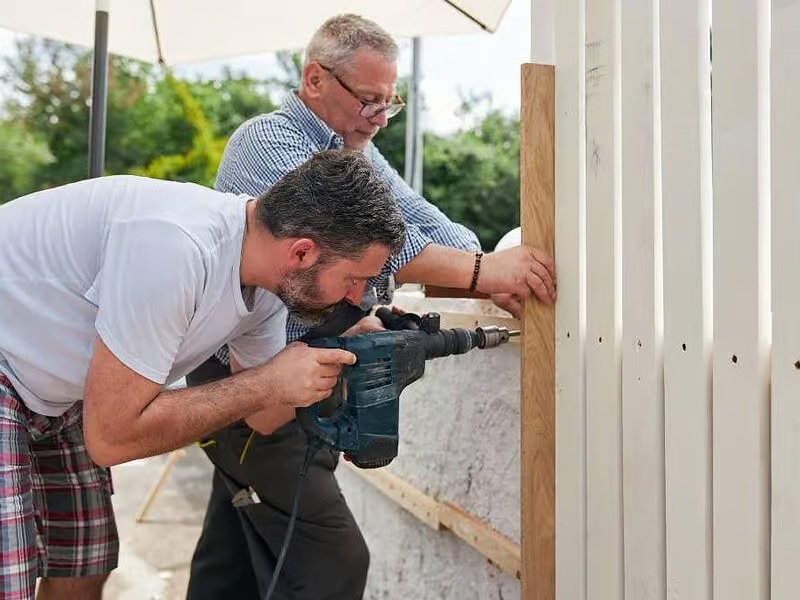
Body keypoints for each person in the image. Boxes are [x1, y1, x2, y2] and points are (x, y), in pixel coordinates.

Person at [186, 13, 557, 600]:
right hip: (246, 376)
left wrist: (476, 264)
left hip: (290, 375)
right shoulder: (270, 139)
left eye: (392, 103)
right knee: (334, 561)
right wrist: (485, 272)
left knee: (232, 553)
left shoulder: (352, 151)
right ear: (314, 80)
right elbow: (352, 246)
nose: (380, 118)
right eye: (368, 99)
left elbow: (424, 223)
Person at [0, 149, 405, 600]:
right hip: (8, 365)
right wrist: (268, 381)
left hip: (57, 386)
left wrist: (343, 349)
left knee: (82, 563)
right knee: (11, 575)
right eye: (354, 280)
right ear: (303, 252)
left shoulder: (269, 284)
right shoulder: (175, 247)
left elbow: (263, 419)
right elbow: (112, 438)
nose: (358, 296)